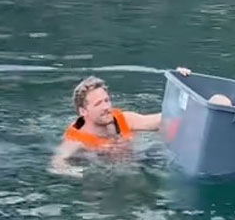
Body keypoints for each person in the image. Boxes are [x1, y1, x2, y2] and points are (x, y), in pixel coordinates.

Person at [50, 68, 191, 176]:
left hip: (138, 163)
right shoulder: (77, 137)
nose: (106, 107)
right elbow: (58, 163)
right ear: (83, 111)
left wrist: (181, 86)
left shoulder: (123, 119)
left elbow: (164, 119)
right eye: (98, 103)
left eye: (107, 100)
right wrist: (82, 173)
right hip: (105, 176)